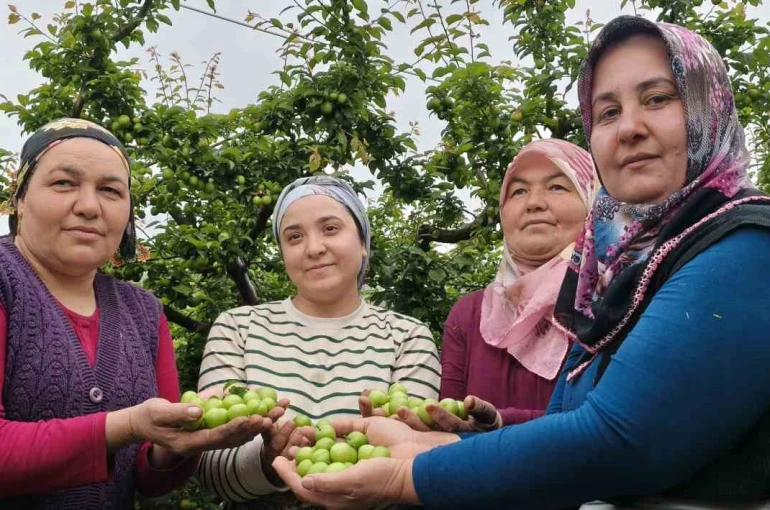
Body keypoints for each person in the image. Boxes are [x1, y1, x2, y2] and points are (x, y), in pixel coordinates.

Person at [272, 15, 770, 509]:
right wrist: (431, 443)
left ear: (711, 107)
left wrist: (409, 474)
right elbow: (565, 426)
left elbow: (619, 440)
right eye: (608, 112)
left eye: (658, 98)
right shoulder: (613, 278)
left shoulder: (745, 246)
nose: (630, 129)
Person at [0, 119, 276, 509]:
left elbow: (147, 477)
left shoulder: (144, 311)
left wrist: (181, 444)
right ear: (21, 198)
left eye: (110, 190)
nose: (89, 206)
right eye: (64, 182)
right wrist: (125, 425)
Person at [196, 176, 441, 507]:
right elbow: (211, 468)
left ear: (363, 241)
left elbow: (414, 462)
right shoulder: (237, 328)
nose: (313, 248)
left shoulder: (408, 337)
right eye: (294, 236)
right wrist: (267, 461)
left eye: (330, 228)